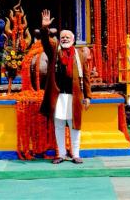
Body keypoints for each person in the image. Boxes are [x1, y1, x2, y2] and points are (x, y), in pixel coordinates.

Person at [39, 9, 92, 164]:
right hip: (58, 96)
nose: (65, 38)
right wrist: (44, 28)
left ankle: (75, 154)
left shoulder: (80, 55)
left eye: (68, 37)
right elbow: (45, 41)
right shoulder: (54, 50)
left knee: (75, 126)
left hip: (75, 96)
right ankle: (61, 154)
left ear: (73, 39)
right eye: (62, 37)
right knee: (59, 126)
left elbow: (87, 77)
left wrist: (88, 96)